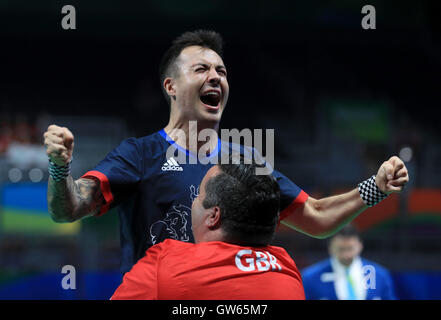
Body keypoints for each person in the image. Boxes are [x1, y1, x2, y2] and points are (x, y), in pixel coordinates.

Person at [43, 30, 410, 274]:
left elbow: (314, 216)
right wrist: (60, 169)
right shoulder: (140, 154)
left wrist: (374, 188)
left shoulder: (244, 162)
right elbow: (69, 208)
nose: (215, 76)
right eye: (201, 68)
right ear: (171, 86)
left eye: (221, 70)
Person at [111, 161, 305, 300]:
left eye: (198, 195)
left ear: (213, 216)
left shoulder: (165, 263)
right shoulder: (288, 270)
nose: (193, 201)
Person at [301, 224, 396, 300]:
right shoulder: (310, 277)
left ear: (360, 246)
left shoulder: (379, 274)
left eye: (350, 248)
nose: (347, 255)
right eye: (341, 249)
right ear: (330, 248)